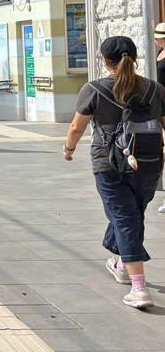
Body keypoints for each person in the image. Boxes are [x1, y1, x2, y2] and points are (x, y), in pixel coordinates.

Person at [64, 36, 165, 310]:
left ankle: (139, 287)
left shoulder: (93, 89)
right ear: (135, 57)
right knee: (131, 215)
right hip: (149, 161)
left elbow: (76, 127)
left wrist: (68, 149)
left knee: (124, 217)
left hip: (108, 163)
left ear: (104, 61)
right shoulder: (155, 89)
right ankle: (122, 263)